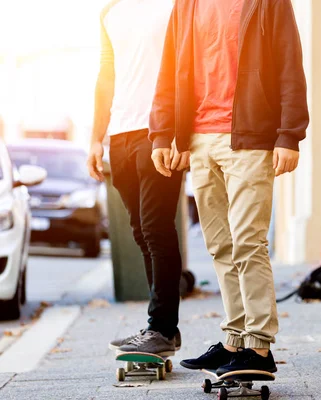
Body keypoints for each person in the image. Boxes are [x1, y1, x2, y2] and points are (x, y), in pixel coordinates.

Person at [149, 0, 309, 375]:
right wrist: (161, 134)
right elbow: (169, 70)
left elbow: (290, 63)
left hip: (251, 136)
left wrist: (289, 135)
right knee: (220, 244)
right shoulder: (186, 4)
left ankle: (259, 346)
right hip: (199, 139)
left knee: (248, 240)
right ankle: (234, 339)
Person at [87, 0, 187, 357]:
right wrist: (96, 138)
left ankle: (162, 327)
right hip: (121, 135)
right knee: (140, 232)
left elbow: (188, 66)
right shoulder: (109, 11)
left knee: (157, 228)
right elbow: (106, 75)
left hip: (159, 131)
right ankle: (160, 328)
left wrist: (181, 132)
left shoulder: (174, 5)